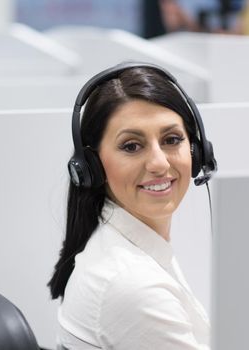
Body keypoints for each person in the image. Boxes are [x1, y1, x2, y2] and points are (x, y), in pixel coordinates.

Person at [48, 62, 217, 350]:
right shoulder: (132, 286)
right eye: (131, 146)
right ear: (92, 166)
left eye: (172, 140)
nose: (159, 163)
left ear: (196, 151)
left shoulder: (128, 251)